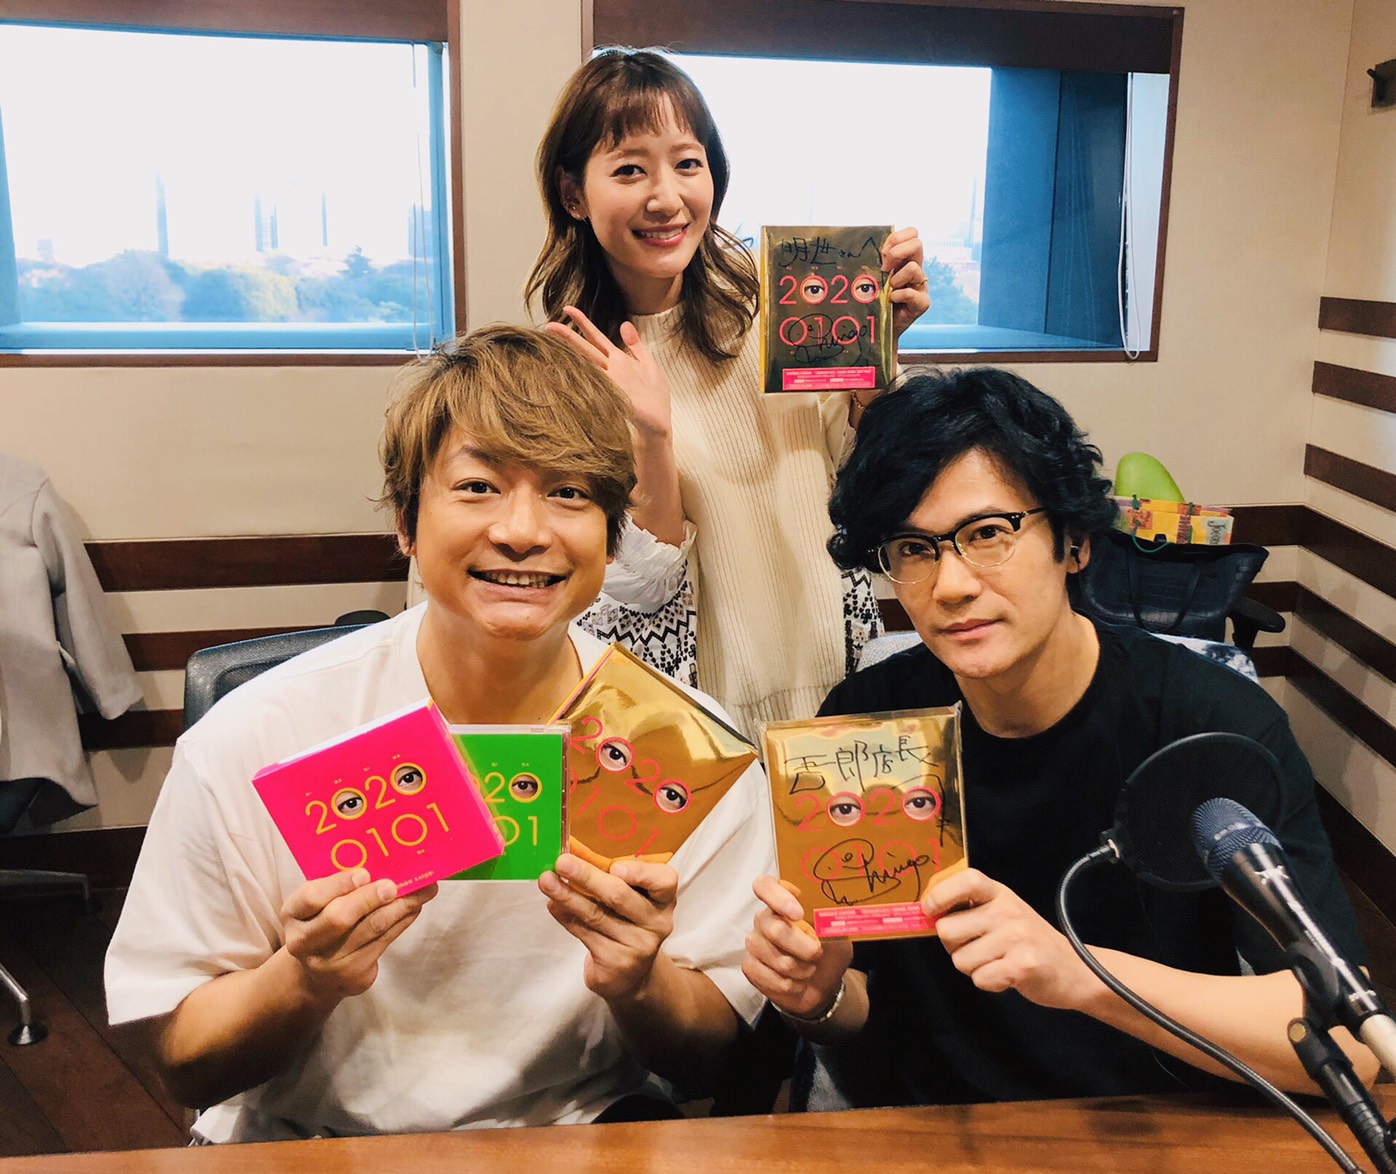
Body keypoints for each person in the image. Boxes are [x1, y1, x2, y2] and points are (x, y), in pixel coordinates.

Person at [105, 326, 774, 1142]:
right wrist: (305, 979)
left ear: (612, 536)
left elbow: (713, 1056)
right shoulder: (262, 735)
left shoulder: (685, 748)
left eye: (569, 493)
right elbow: (183, 1060)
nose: (523, 531)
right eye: (478, 486)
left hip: (581, 1136)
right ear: (406, 522)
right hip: (312, 1143)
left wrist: (639, 980)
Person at [741, 366, 1378, 1105]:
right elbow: (861, 1016)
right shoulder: (866, 723)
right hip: (932, 1132)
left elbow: (1349, 1045)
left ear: (1074, 542)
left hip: (1156, 1122)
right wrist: (817, 996)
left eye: (988, 534)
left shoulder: (1211, 725)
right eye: (914, 548)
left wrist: (1081, 975)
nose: (951, 585)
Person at [526, 48, 931, 736]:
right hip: (695, 718)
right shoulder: (567, 367)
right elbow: (641, 586)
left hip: (836, 682)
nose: (666, 198)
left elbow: (860, 484)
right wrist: (651, 435)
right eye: (629, 170)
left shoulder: (781, 306)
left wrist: (875, 352)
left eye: (688, 163)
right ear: (573, 194)